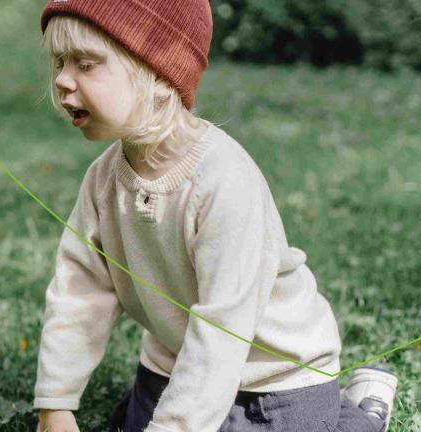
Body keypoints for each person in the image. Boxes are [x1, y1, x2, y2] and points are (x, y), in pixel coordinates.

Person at [32, 1, 399, 431]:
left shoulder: (222, 179)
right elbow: (79, 293)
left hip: (276, 379)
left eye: (86, 63)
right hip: (177, 365)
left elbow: (224, 324)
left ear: (160, 76)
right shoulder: (103, 180)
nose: (61, 79)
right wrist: (55, 404)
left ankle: (361, 411)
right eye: (59, 62)